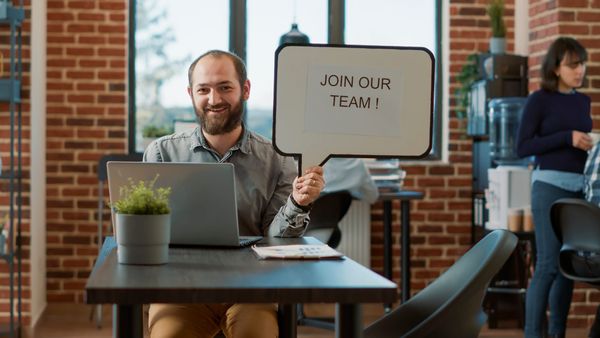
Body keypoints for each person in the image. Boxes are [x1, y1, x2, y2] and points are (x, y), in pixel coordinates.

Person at [143, 50, 325, 338]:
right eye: (204, 89)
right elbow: (148, 234)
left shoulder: (278, 159)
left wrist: (297, 204)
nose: (214, 99)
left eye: (225, 87)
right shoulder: (161, 153)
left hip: (251, 291)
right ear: (191, 94)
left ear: (246, 89)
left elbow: (274, 240)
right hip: (182, 289)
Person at [517, 36, 591, 338]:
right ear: (556, 67)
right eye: (573, 65)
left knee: (567, 266)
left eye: (582, 64)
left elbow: (578, 143)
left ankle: (557, 334)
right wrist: (567, 137)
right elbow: (523, 146)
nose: (580, 70)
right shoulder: (539, 100)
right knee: (548, 263)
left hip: (578, 189)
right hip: (548, 187)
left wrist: (588, 143)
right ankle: (534, 334)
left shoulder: (582, 101)